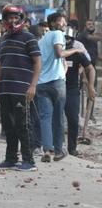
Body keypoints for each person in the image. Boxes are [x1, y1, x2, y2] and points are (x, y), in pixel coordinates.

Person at [0, 4, 41, 171]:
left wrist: (33, 85)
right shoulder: (4, 39)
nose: (12, 21)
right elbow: (0, 64)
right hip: (5, 90)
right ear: (5, 20)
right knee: (8, 126)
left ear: (21, 19)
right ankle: (11, 158)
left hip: (22, 90)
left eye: (15, 18)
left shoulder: (29, 38)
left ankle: (29, 161)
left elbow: (37, 62)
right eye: (9, 18)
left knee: (23, 125)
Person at [36, 12, 80, 162]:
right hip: (56, 82)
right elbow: (59, 53)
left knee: (45, 117)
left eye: (64, 22)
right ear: (53, 23)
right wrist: (75, 50)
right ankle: (59, 150)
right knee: (58, 117)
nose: (64, 24)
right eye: (61, 22)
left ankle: (47, 150)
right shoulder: (57, 34)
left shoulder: (42, 39)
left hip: (41, 82)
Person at [63, 32, 96, 156]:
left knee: (73, 119)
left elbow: (90, 68)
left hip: (72, 89)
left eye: (68, 39)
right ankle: (53, 147)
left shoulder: (78, 53)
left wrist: (91, 86)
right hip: (55, 88)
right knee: (55, 119)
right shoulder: (53, 51)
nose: (66, 42)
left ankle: (72, 147)